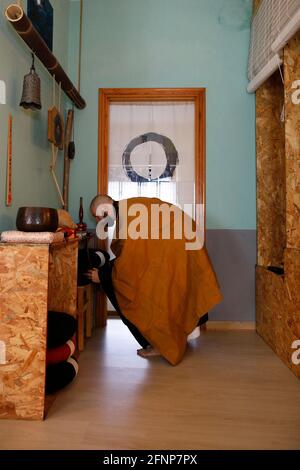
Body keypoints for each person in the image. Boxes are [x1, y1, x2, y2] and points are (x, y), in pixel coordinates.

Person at [85, 195, 222, 365]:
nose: (98, 220)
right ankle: (172, 336)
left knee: (139, 290)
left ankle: (161, 344)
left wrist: (104, 276)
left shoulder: (128, 213)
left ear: (105, 206)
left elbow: (129, 264)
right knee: (166, 289)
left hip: (178, 244)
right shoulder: (128, 209)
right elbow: (134, 253)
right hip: (181, 242)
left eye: (97, 215)